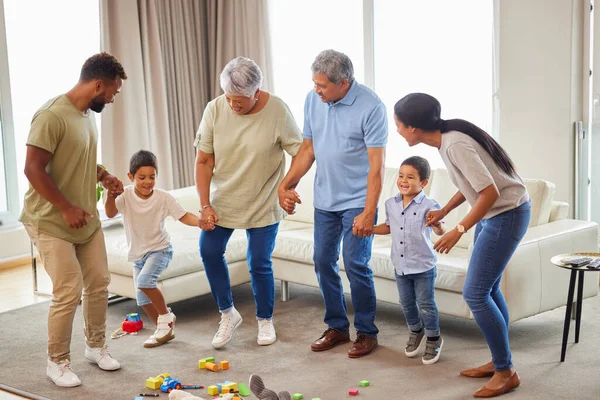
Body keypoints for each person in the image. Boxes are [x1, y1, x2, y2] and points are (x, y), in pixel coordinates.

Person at [393, 93, 531, 397]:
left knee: (476, 292)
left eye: (400, 126)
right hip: (499, 212)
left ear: (414, 127)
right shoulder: (446, 139)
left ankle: (506, 372)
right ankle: (500, 362)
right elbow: (469, 183)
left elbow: (490, 192)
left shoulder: (454, 143)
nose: (398, 131)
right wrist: (444, 211)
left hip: (506, 214)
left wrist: (458, 228)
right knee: (488, 288)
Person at [20, 52, 127, 387]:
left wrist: (103, 175)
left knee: (99, 282)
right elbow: (32, 168)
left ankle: (96, 346)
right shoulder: (52, 115)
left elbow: (76, 158)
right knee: (69, 289)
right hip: (50, 219)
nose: (113, 97)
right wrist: (65, 207)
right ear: (98, 85)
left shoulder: (86, 115)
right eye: (113, 91)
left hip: (85, 218)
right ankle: (58, 362)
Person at [278, 49, 387, 358]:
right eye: (315, 83)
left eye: (323, 86)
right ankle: (337, 327)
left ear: (344, 83)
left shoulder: (371, 107)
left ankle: (366, 331)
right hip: (325, 200)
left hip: (357, 201)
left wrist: (368, 212)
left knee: (355, 263)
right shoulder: (313, 100)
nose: (317, 90)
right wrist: (286, 184)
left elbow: (376, 168)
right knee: (322, 261)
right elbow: (308, 148)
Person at [195, 56, 303, 349]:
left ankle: (265, 319)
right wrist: (205, 205)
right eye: (229, 98)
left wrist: (287, 186)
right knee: (208, 249)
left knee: (258, 262)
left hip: (263, 200)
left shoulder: (277, 110)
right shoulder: (215, 109)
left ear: (257, 90)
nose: (234, 105)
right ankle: (227, 313)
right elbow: (204, 160)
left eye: (240, 100)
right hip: (224, 200)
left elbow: (303, 151)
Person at [104, 150, 200, 348]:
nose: (148, 182)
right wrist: (110, 195)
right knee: (142, 299)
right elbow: (110, 212)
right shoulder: (126, 195)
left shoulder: (163, 197)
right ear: (131, 177)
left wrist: (200, 222)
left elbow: (183, 215)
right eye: (142, 178)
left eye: (152, 177)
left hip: (160, 250)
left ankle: (166, 317)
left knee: (145, 281)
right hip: (138, 255)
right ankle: (164, 329)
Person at [372, 156, 445, 364]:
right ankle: (416, 330)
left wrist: (438, 226)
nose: (404, 180)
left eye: (410, 177)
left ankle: (434, 337)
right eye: (401, 176)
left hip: (423, 265)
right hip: (400, 265)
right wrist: (369, 229)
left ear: (423, 183)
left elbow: (440, 229)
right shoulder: (390, 204)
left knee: (426, 304)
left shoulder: (430, 205)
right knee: (405, 303)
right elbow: (388, 227)